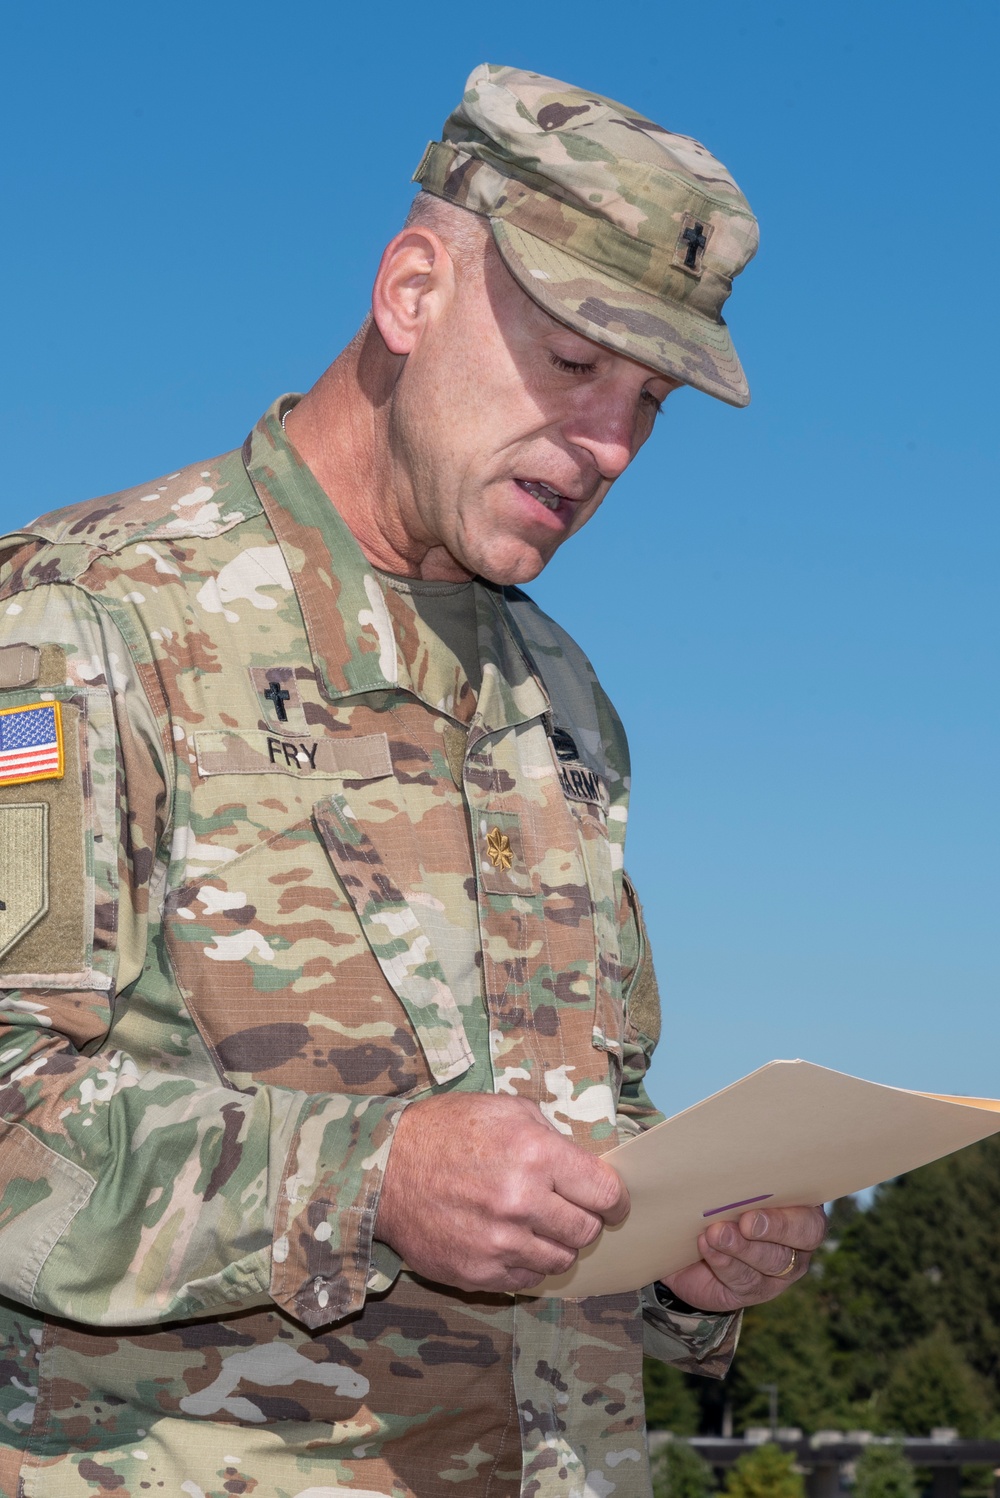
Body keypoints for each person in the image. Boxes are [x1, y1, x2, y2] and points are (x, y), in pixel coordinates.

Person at [0, 63, 825, 1498]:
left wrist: (689, 1252)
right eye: (574, 363)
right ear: (412, 293)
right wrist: (368, 1181)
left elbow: (581, 1125)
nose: (612, 446)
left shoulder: (561, 697)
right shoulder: (85, 617)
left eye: (650, 399)